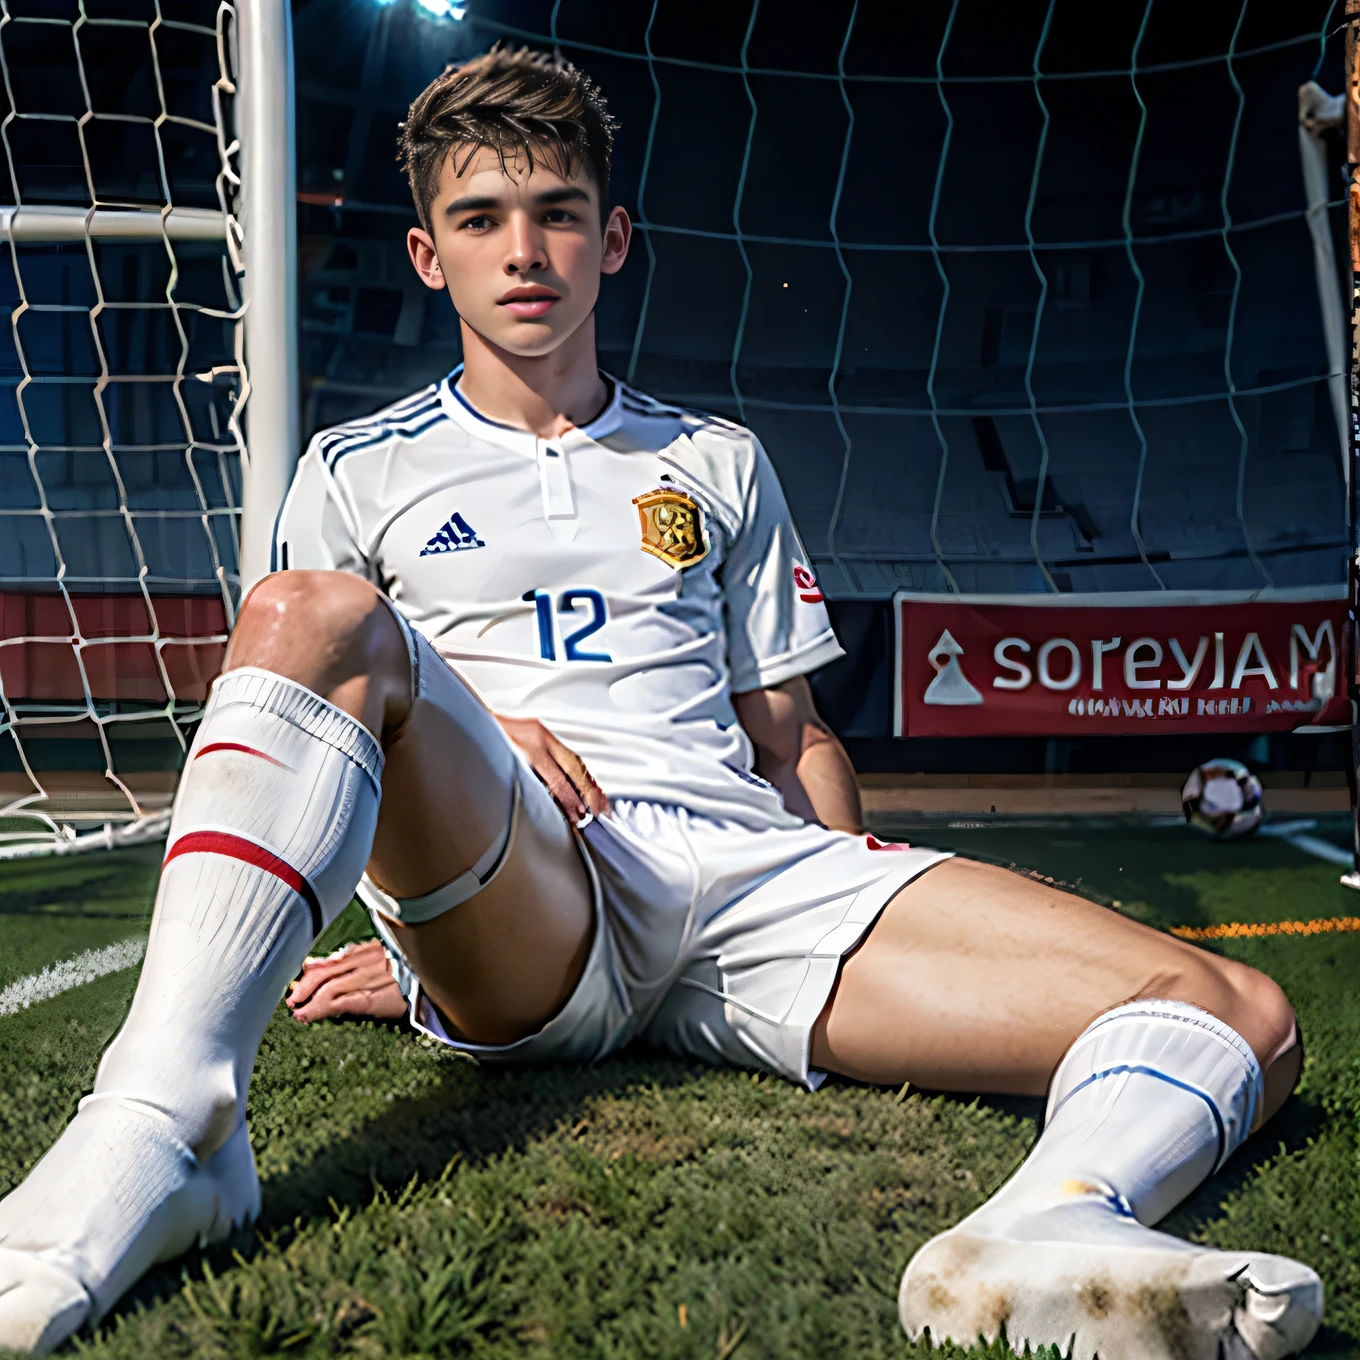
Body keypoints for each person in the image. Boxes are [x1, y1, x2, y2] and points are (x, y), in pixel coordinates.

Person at [0, 46, 1321, 1360]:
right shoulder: (359, 468)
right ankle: (167, 1125)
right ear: (426, 254)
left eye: (557, 213)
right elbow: (320, 700)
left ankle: (1050, 1223)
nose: (524, 249)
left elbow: (791, 735)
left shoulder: (715, 462)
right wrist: (437, 870)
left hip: (742, 872)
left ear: (611, 236)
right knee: (309, 616)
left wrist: (846, 884)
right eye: (479, 220)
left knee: (1235, 1010)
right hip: (534, 877)